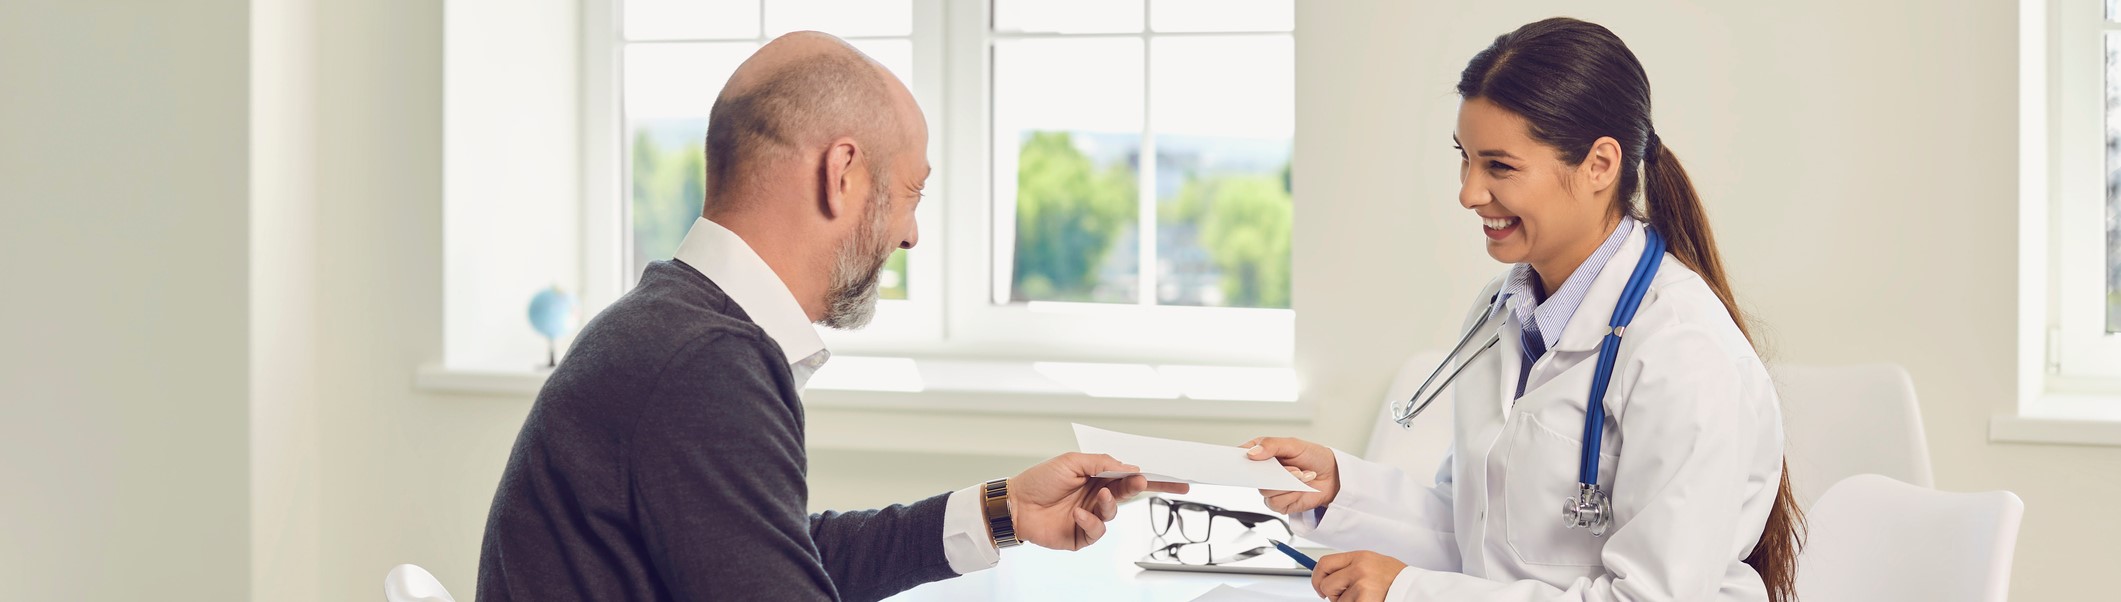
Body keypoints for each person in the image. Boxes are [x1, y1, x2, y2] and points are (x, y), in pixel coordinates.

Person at [475, 31, 1184, 601]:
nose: (911, 235)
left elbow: (769, 556)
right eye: (910, 193)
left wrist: (1002, 512)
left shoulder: (667, 326)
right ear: (840, 172)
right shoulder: (703, 363)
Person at [1243, 17, 1804, 602]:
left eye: (1499, 166)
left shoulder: (1684, 350)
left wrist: (1410, 593)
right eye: (1464, 158)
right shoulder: (1500, 311)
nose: (1468, 192)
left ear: (1599, 165)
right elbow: (1481, 537)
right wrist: (1340, 488)